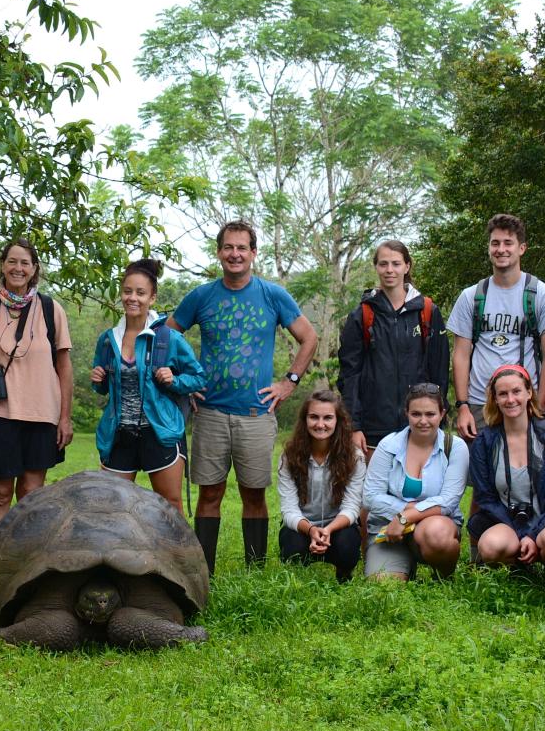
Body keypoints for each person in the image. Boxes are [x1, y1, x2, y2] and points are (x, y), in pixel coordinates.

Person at [168, 221, 319, 572]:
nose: (234, 254)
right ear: (219, 252)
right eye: (228, 247)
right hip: (210, 413)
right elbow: (166, 337)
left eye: (242, 248)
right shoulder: (201, 296)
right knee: (210, 494)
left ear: (253, 253)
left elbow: (308, 338)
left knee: (254, 494)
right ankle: (204, 570)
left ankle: (255, 569)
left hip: (256, 413)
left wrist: (289, 383)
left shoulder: (272, 295)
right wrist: (183, 380)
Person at [0, 239, 73, 541]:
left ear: (34, 269)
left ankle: (26, 561)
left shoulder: (52, 309)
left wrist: (65, 417)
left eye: (25, 262)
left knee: (31, 493)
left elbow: (64, 367)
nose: (18, 268)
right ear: (2, 265)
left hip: (42, 415)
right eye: (12, 261)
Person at [90, 258, 205, 514]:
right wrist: (98, 381)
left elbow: (198, 378)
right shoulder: (108, 340)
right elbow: (103, 388)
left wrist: (174, 380)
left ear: (152, 298)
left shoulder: (168, 338)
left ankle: (178, 555)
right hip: (119, 434)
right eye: (127, 291)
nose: (133, 298)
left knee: (169, 506)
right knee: (112, 506)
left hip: (159, 431)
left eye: (140, 293)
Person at [448, 214, 545, 440]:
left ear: (522, 248)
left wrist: (542, 404)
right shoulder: (471, 297)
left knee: (527, 470)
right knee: (479, 472)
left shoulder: (542, 294)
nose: (501, 249)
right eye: (495, 243)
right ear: (488, 248)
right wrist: (463, 406)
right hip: (481, 402)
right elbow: (460, 355)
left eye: (508, 243)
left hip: (525, 401)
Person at [336, 239, 449, 459]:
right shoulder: (363, 315)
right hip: (373, 427)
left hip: (420, 424)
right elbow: (349, 375)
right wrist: (354, 425)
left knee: (417, 491)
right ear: (376, 267)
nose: (390, 270)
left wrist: (439, 421)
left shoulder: (426, 311)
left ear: (407, 266)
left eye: (396, 264)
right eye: (383, 264)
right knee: (374, 492)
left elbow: (440, 373)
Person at [467, 364, 545, 570]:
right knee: (490, 546)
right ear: (495, 399)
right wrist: (519, 532)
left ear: (528, 393)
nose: (510, 399)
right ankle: (518, 566)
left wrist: (533, 534)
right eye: (503, 394)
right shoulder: (485, 442)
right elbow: (485, 497)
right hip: (507, 520)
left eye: (516, 391)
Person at [364, 384, 466, 581]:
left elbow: (448, 501)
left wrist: (405, 516)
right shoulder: (388, 445)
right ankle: (403, 565)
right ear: (406, 413)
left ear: (442, 413)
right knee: (384, 587)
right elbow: (370, 497)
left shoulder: (455, 447)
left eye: (430, 414)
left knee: (437, 534)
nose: (423, 421)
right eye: (416, 414)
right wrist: (412, 510)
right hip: (389, 529)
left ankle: (443, 578)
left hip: (432, 527)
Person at [276, 390, 365, 582]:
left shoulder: (354, 456)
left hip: (338, 527)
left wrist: (328, 530)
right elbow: (288, 509)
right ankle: (297, 582)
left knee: (348, 543)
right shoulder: (289, 456)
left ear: (338, 420)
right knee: (291, 544)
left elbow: (352, 507)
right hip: (303, 527)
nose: (320, 424)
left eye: (328, 418)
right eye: (314, 417)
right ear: (304, 419)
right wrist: (310, 530)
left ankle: (343, 573)